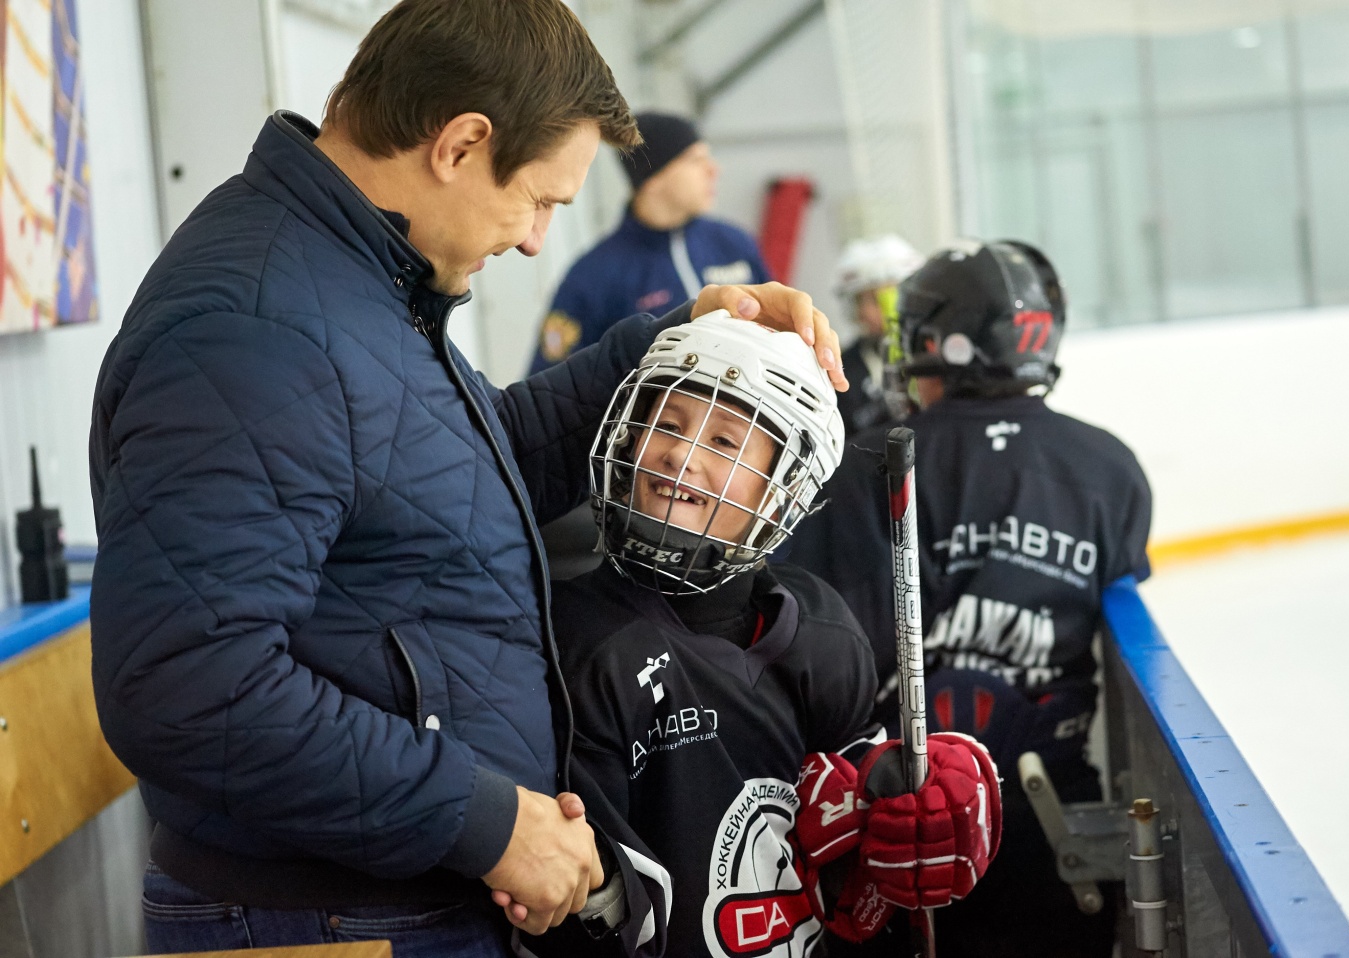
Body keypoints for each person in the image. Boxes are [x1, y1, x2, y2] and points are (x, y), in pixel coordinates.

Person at [87, 3, 847, 956]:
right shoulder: (260, 328)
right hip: (330, 916)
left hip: (394, 900)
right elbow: (187, 685)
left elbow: (469, 477)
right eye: (539, 201)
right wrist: (486, 821)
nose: (534, 240)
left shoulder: (353, 286)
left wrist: (683, 336)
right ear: (461, 143)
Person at [514, 313, 1002, 958]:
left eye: (724, 441)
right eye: (667, 424)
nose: (680, 456)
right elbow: (596, 911)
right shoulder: (576, 640)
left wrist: (903, 808)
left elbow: (854, 854)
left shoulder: (820, 630)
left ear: (783, 492)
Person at [788, 240, 1153, 957]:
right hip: (1058, 820)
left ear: (938, 344)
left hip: (896, 819)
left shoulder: (859, 466)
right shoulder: (1111, 468)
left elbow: (823, 646)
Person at [528, 112, 771, 374]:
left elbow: (775, 331)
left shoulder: (733, 243)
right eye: (695, 160)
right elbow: (548, 383)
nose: (713, 170)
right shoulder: (594, 275)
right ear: (653, 178)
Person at [831, 235, 923, 435]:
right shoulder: (841, 370)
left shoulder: (932, 355)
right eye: (858, 301)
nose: (864, 312)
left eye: (875, 300)